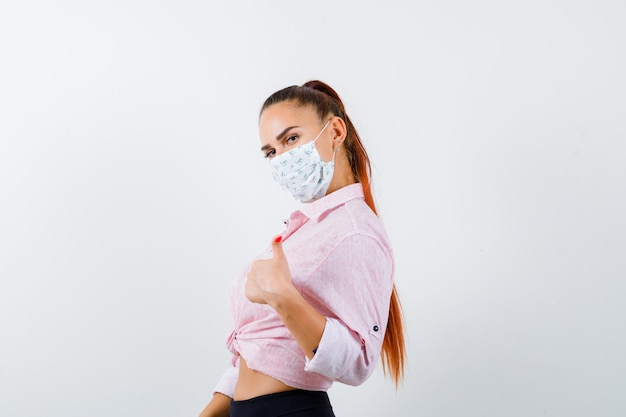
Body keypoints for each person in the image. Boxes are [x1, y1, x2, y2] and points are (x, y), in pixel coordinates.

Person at [198, 80, 406, 417]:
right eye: (270, 151)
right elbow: (262, 345)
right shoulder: (306, 229)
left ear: (335, 131)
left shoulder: (356, 231)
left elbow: (359, 363)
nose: (281, 159)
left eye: (291, 139)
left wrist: (283, 297)